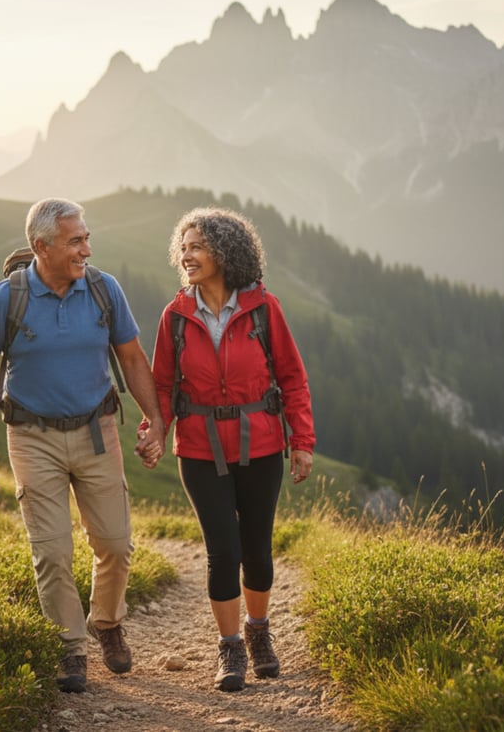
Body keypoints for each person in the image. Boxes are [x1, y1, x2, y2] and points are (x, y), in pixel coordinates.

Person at [0, 198, 165, 694]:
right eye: (76, 241)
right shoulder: (4, 300)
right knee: (51, 551)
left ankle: (107, 623)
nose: (86, 250)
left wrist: (157, 420)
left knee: (115, 544)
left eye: (87, 238)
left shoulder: (102, 289)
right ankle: (70, 646)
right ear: (41, 247)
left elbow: (134, 360)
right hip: (31, 438)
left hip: (98, 431)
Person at [143, 207, 314, 692]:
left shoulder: (263, 309)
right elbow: (161, 385)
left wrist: (301, 441)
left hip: (260, 443)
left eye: (197, 246)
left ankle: (259, 632)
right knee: (224, 549)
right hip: (198, 449)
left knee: (257, 549)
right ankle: (230, 646)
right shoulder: (175, 316)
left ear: (225, 251)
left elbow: (292, 379)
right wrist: (156, 432)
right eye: (184, 246)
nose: (187, 254)